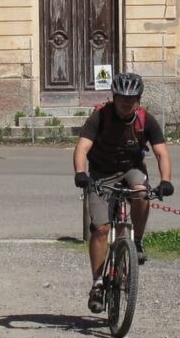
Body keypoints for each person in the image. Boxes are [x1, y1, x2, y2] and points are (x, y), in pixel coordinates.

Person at [72, 71, 173, 313]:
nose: (127, 103)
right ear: (114, 98)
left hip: (131, 169)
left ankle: (136, 241)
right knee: (101, 229)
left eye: (132, 99)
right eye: (122, 99)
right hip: (101, 174)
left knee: (140, 191)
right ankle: (97, 283)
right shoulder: (100, 116)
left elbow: (161, 152)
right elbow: (82, 148)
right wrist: (80, 173)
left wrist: (166, 180)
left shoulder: (145, 119)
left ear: (138, 99)